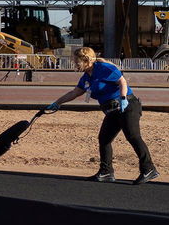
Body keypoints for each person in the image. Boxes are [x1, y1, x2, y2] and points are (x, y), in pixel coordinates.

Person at [49, 46, 158, 184]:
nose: (75, 64)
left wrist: (123, 98)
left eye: (77, 61)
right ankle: (106, 172)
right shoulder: (86, 77)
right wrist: (57, 103)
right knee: (104, 139)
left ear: (86, 60)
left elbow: (122, 81)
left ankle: (149, 168)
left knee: (133, 136)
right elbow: (75, 92)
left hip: (127, 106)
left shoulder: (104, 68)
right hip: (112, 110)